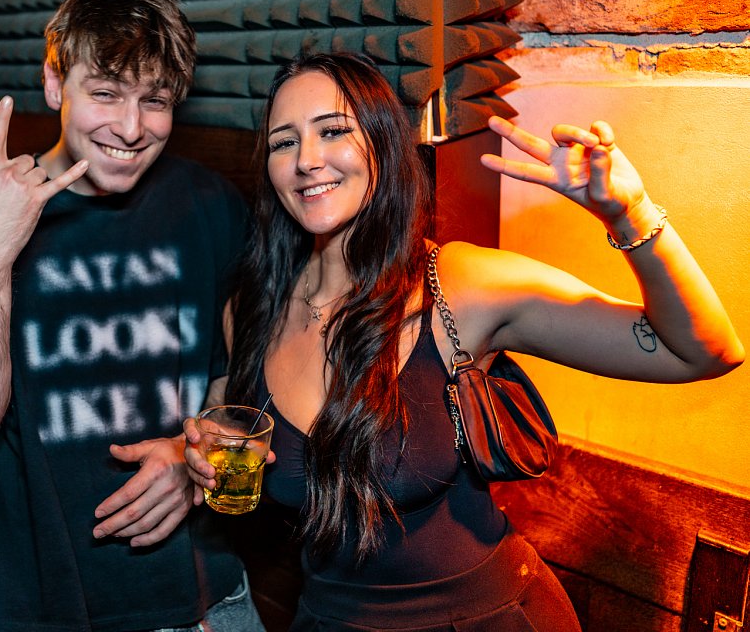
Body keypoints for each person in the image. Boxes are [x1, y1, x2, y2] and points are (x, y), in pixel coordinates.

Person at [182, 52, 744, 631]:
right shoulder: (251, 309)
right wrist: (194, 451)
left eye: (333, 131)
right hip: (326, 620)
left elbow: (702, 351)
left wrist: (631, 215)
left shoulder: (458, 286)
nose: (306, 160)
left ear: (382, 146)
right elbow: (226, 421)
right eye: (284, 142)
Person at [0, 0, 263, 631]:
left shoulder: (210, 207)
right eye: (105, 93)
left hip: (206, 599)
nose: (132, 128)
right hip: (46, 610)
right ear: (53, 83)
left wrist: (198, 457)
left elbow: (236, 383)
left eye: (155, 100)